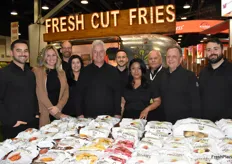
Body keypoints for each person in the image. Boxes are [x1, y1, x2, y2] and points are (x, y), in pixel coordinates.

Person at [0, 39, 39, 139]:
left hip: (31, 124)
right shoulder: (3, 73)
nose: (23, 53)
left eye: (26, 51)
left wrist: (36, 114)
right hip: (14, 126)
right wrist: (10, 121)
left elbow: (33, 95)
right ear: (11, 53)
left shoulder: (30, 73)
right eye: (19, 50)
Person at [155, 45, 201, 123]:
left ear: (180, 59)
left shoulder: (190, 76)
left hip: (183, 122)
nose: (170, 59)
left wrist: (194, 122)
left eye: (174, 57)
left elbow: (196, 103)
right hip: (165, 122)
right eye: (168, 56)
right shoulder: (161, 75)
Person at [76, 40, 121, 118]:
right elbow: (79, 94)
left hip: (109, 116)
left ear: (104, 53)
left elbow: (117, 94)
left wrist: (117, 113)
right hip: (88, 116)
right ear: (92, 54)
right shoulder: (84, 71)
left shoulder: (113, 71)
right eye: (95, 52)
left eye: (101, 51)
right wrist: (79, 114)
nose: (98, 54)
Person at [33, 45, 69, 127]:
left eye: (53, 55)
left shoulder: (61, 72)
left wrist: (58, 107)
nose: (51, 58)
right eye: (48, 55)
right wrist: (53, 110)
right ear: (44, 57)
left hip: (58, 111)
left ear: (57, 57)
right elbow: (40, 92)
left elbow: (66, 92)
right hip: (45, 112)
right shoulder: (37, 71)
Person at [199, 37, 232, 121]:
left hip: (227, 124)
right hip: (206, 123)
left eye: (215, 49)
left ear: (222, 50)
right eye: (209, 50)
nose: (212, 52)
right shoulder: (203, 72)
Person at [146, 50, 166, 121]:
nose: (153, 60)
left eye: (155, 58)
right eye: (150, 59)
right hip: (147, 113)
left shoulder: (167, 73)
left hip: (163, 113)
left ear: (160, 59)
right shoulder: (144, 74)